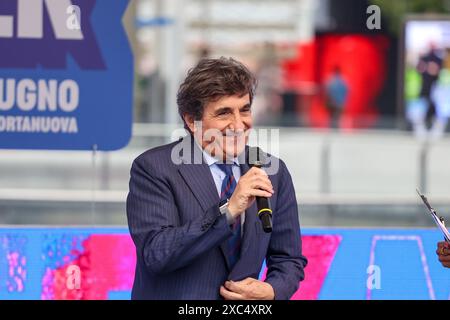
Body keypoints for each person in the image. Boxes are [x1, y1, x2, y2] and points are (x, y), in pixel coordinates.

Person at [126, 57, 307, 300]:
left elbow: (289, 259)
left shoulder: (272, 170)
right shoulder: (154, 168)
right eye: (224, 113)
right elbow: (157, 254)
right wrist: (228, 210)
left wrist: (272, 290)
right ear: (192, 120)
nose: (238, 124)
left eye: (244, 110)